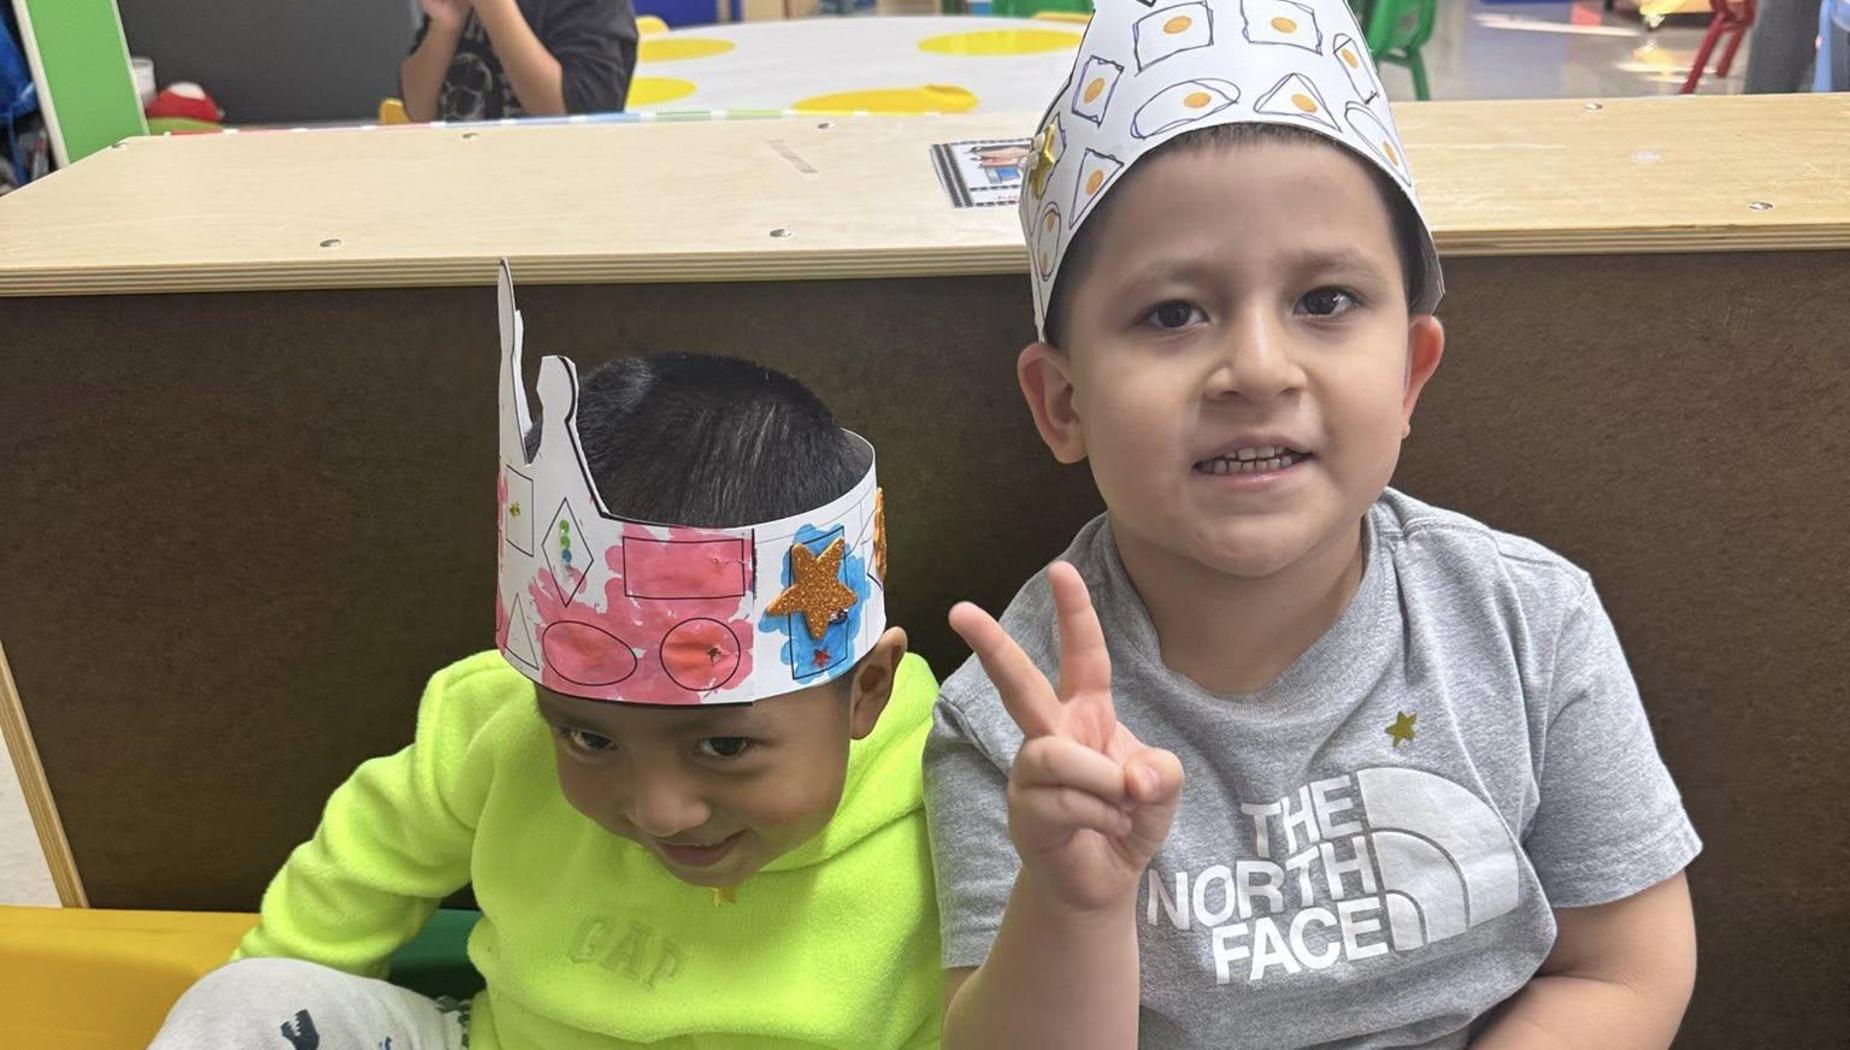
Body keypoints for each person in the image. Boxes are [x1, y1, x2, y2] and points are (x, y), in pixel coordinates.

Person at [924, 1, 1702, 1046]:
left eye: (1325, 301)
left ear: (1410, 374)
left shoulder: (1527, 622)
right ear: (1062, 404)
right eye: (1171, 313)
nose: (1254, 367)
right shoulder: (1007, 719)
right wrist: (1071, 902)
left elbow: (1624, 970)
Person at [150, 265, 940, 1049]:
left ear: (866, 691)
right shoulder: (496, 718)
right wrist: (291, 975)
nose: (660, 811)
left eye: (725, 745)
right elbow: (369, 850)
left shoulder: (952, 793)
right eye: (589, 739)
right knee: (245, 1001)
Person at [401, 0, 637, 122]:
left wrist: (494, 7)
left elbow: (578, 120)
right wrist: (445, 27)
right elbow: (418, 111)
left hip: (552, 196)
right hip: (464, 185)